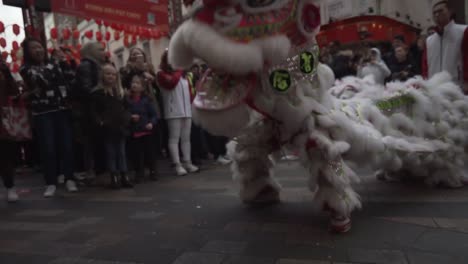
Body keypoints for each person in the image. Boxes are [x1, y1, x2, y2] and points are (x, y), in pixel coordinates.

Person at [20, 38, 77, 197]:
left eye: (40, 47)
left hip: (61, 109)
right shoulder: (26, 68)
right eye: (34, 48)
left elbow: (68, 79)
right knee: (48, 148)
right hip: (43, 113)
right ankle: (50, 182)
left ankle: (69, 178)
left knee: (66, 145)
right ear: (28, 52)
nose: (38, 50)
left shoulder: (55, 63)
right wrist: (55, 63)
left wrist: (65, 62)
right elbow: (42, 80)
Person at [157, 50, 199, 176]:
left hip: (186, 110)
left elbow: (189, 93)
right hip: (173, 111)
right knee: (174, 138)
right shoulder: (161, 73)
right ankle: (177, 165)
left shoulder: (184, 76)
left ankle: (187, 162)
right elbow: (171, 83)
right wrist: (180, 70)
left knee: (186, 139)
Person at [91, 63, 132, 189]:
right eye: (108, 73)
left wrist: (126, 119)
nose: (111, 76)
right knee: (111, 153)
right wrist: (101, 122)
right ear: (102, 76)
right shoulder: (98, 93)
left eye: (113, 74)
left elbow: (127, 108)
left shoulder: (119, 92)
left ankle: (124, 176)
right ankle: (114, 177)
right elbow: (94, 112)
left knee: (122, 153)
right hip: (107, 129)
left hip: (120, 127)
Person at [72, 42, 107, 181]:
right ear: (91, 51)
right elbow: (87, 90)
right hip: (89, 112)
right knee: (91, 143)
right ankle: (93, 171)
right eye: (100, 50)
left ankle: (100, 170)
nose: (104, 52)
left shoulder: (98, 65)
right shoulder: (86, 66)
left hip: (95, 109)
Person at [422, 0, 468, 93]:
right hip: (434, 90)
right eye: (434, 13)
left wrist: (466, 81)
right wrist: (425, 83)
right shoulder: (429, 40)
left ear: (450, 12)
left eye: (440, 11)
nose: (437, 14)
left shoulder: (463, 31)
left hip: (456, 87)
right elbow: (425, 65)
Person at [125, 74, 158, 182]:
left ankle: (153, 170)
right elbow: (125, 113)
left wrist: (151, 123)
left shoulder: (146, 100)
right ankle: (139, 172)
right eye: (133, 82)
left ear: (142, 87)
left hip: (146, 131)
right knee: (137, 154)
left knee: (150, 153)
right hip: (135, 131)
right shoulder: (127, 100)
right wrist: (130, 117)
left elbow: (153, 114)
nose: (134, 85)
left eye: (137, 83)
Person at [0, 62, 20, 202]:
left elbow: (14, 92)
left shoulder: (3, 72)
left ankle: (10, 186)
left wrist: (6, 72)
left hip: (2, 117)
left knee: (5, 153)